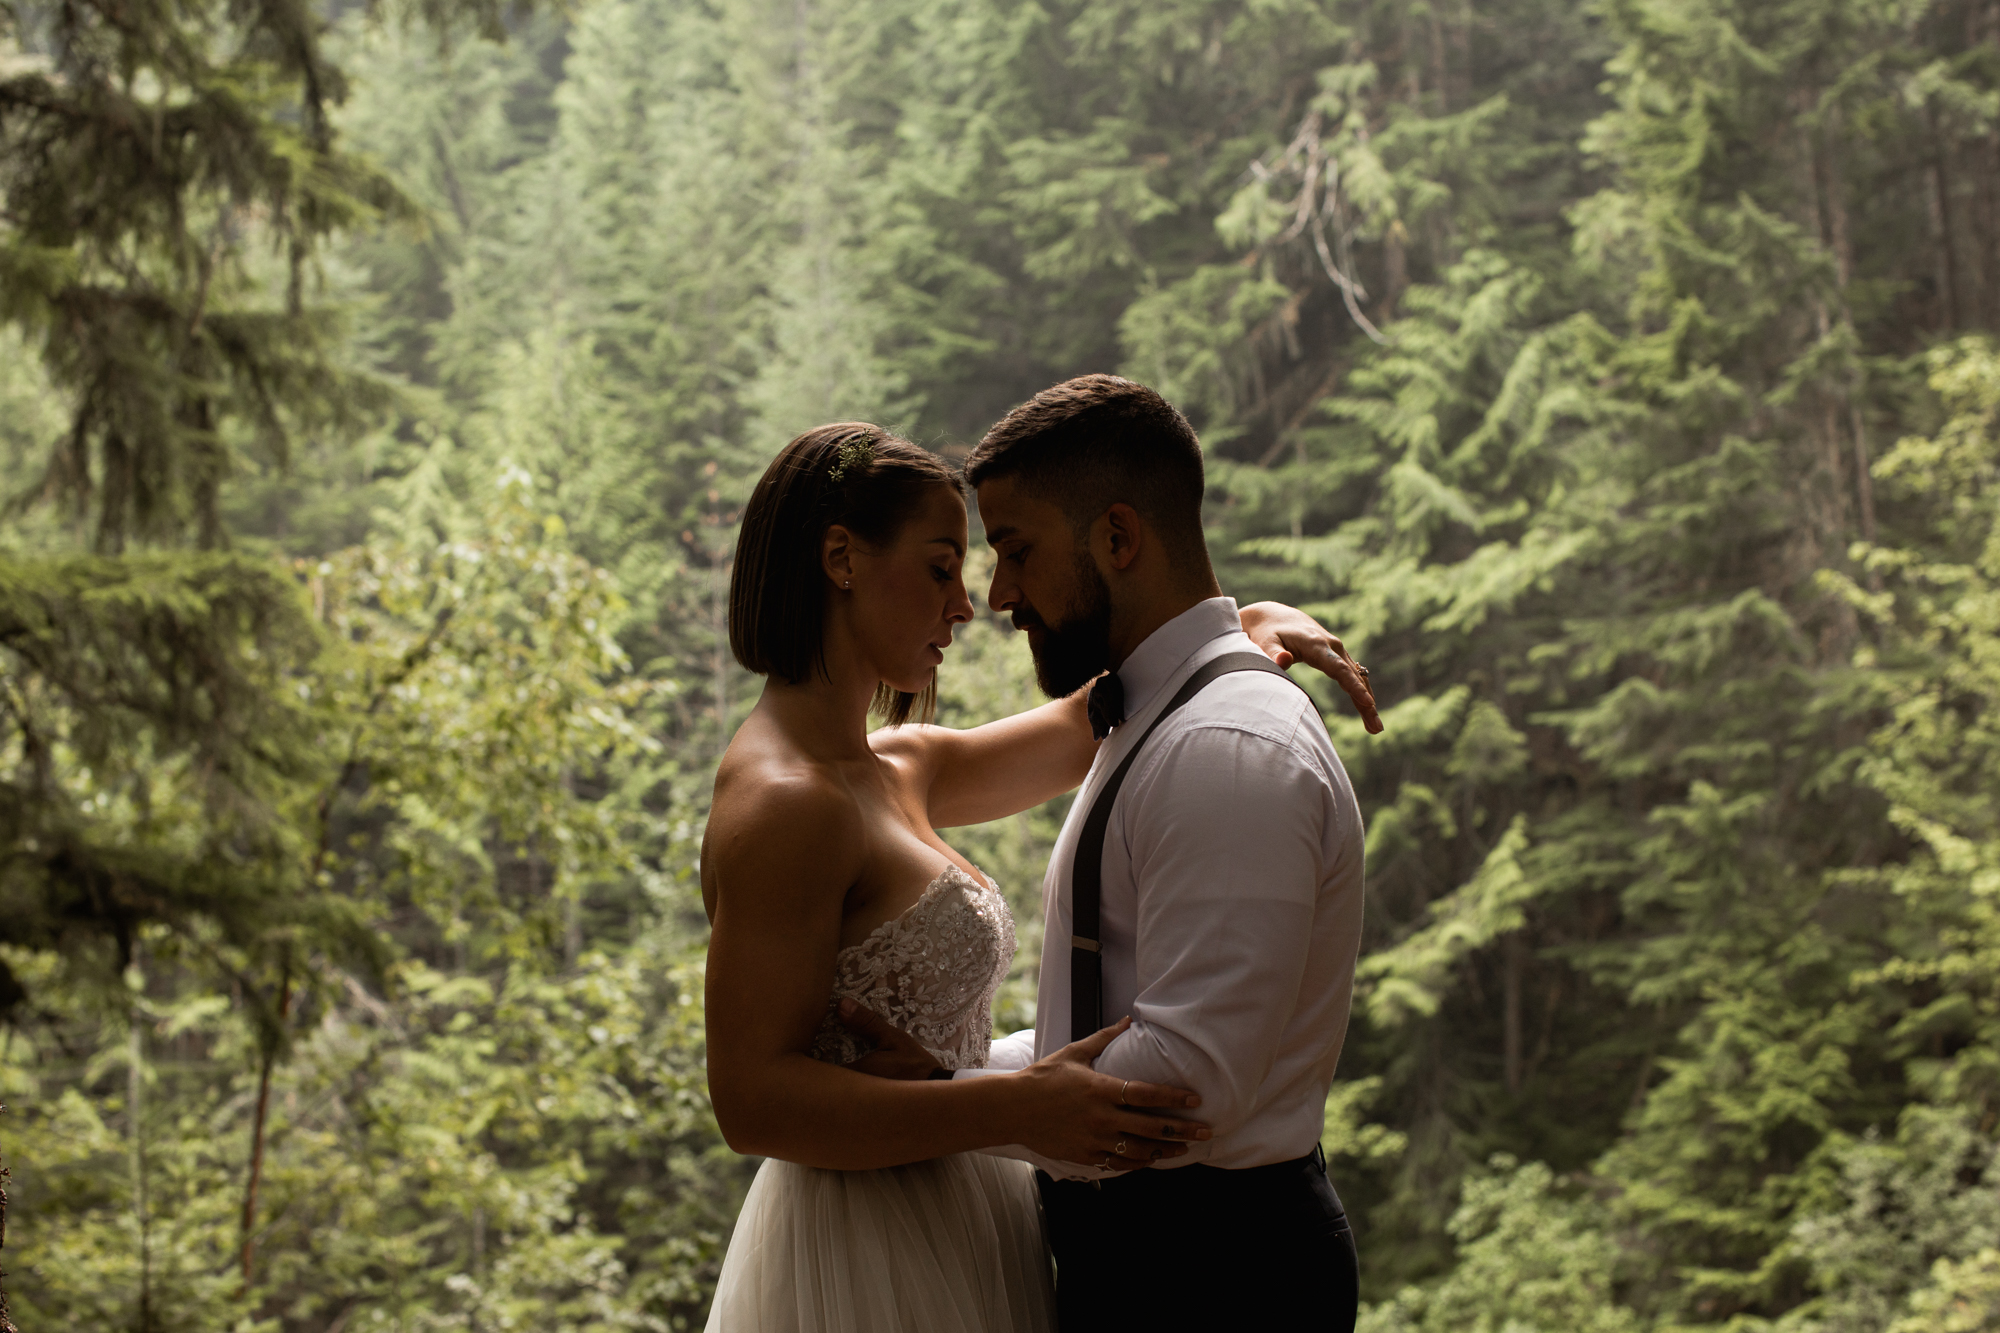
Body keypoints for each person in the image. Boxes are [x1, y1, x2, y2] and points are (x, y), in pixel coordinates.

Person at [699, 422, 1373, 1333]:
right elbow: (751, 1101)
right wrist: (1007, 1105)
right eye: (943, 567)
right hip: (864, 1248)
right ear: (841, 560)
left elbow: (1104, 705)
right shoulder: (786, 803)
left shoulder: (897, 766)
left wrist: (1243, 625)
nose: (971, 603)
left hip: (966, 1210)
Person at [951, 374, 1370, 1330]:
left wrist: (956, 1110)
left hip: (1216, 1277)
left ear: (1119, 537)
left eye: (1017, 550)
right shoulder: (1159, 720)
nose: (1000, 592)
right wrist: (952, 1077)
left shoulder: (1226, 748)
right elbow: (1099, 1034)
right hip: (1162, 1262)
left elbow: (1185, 1078)